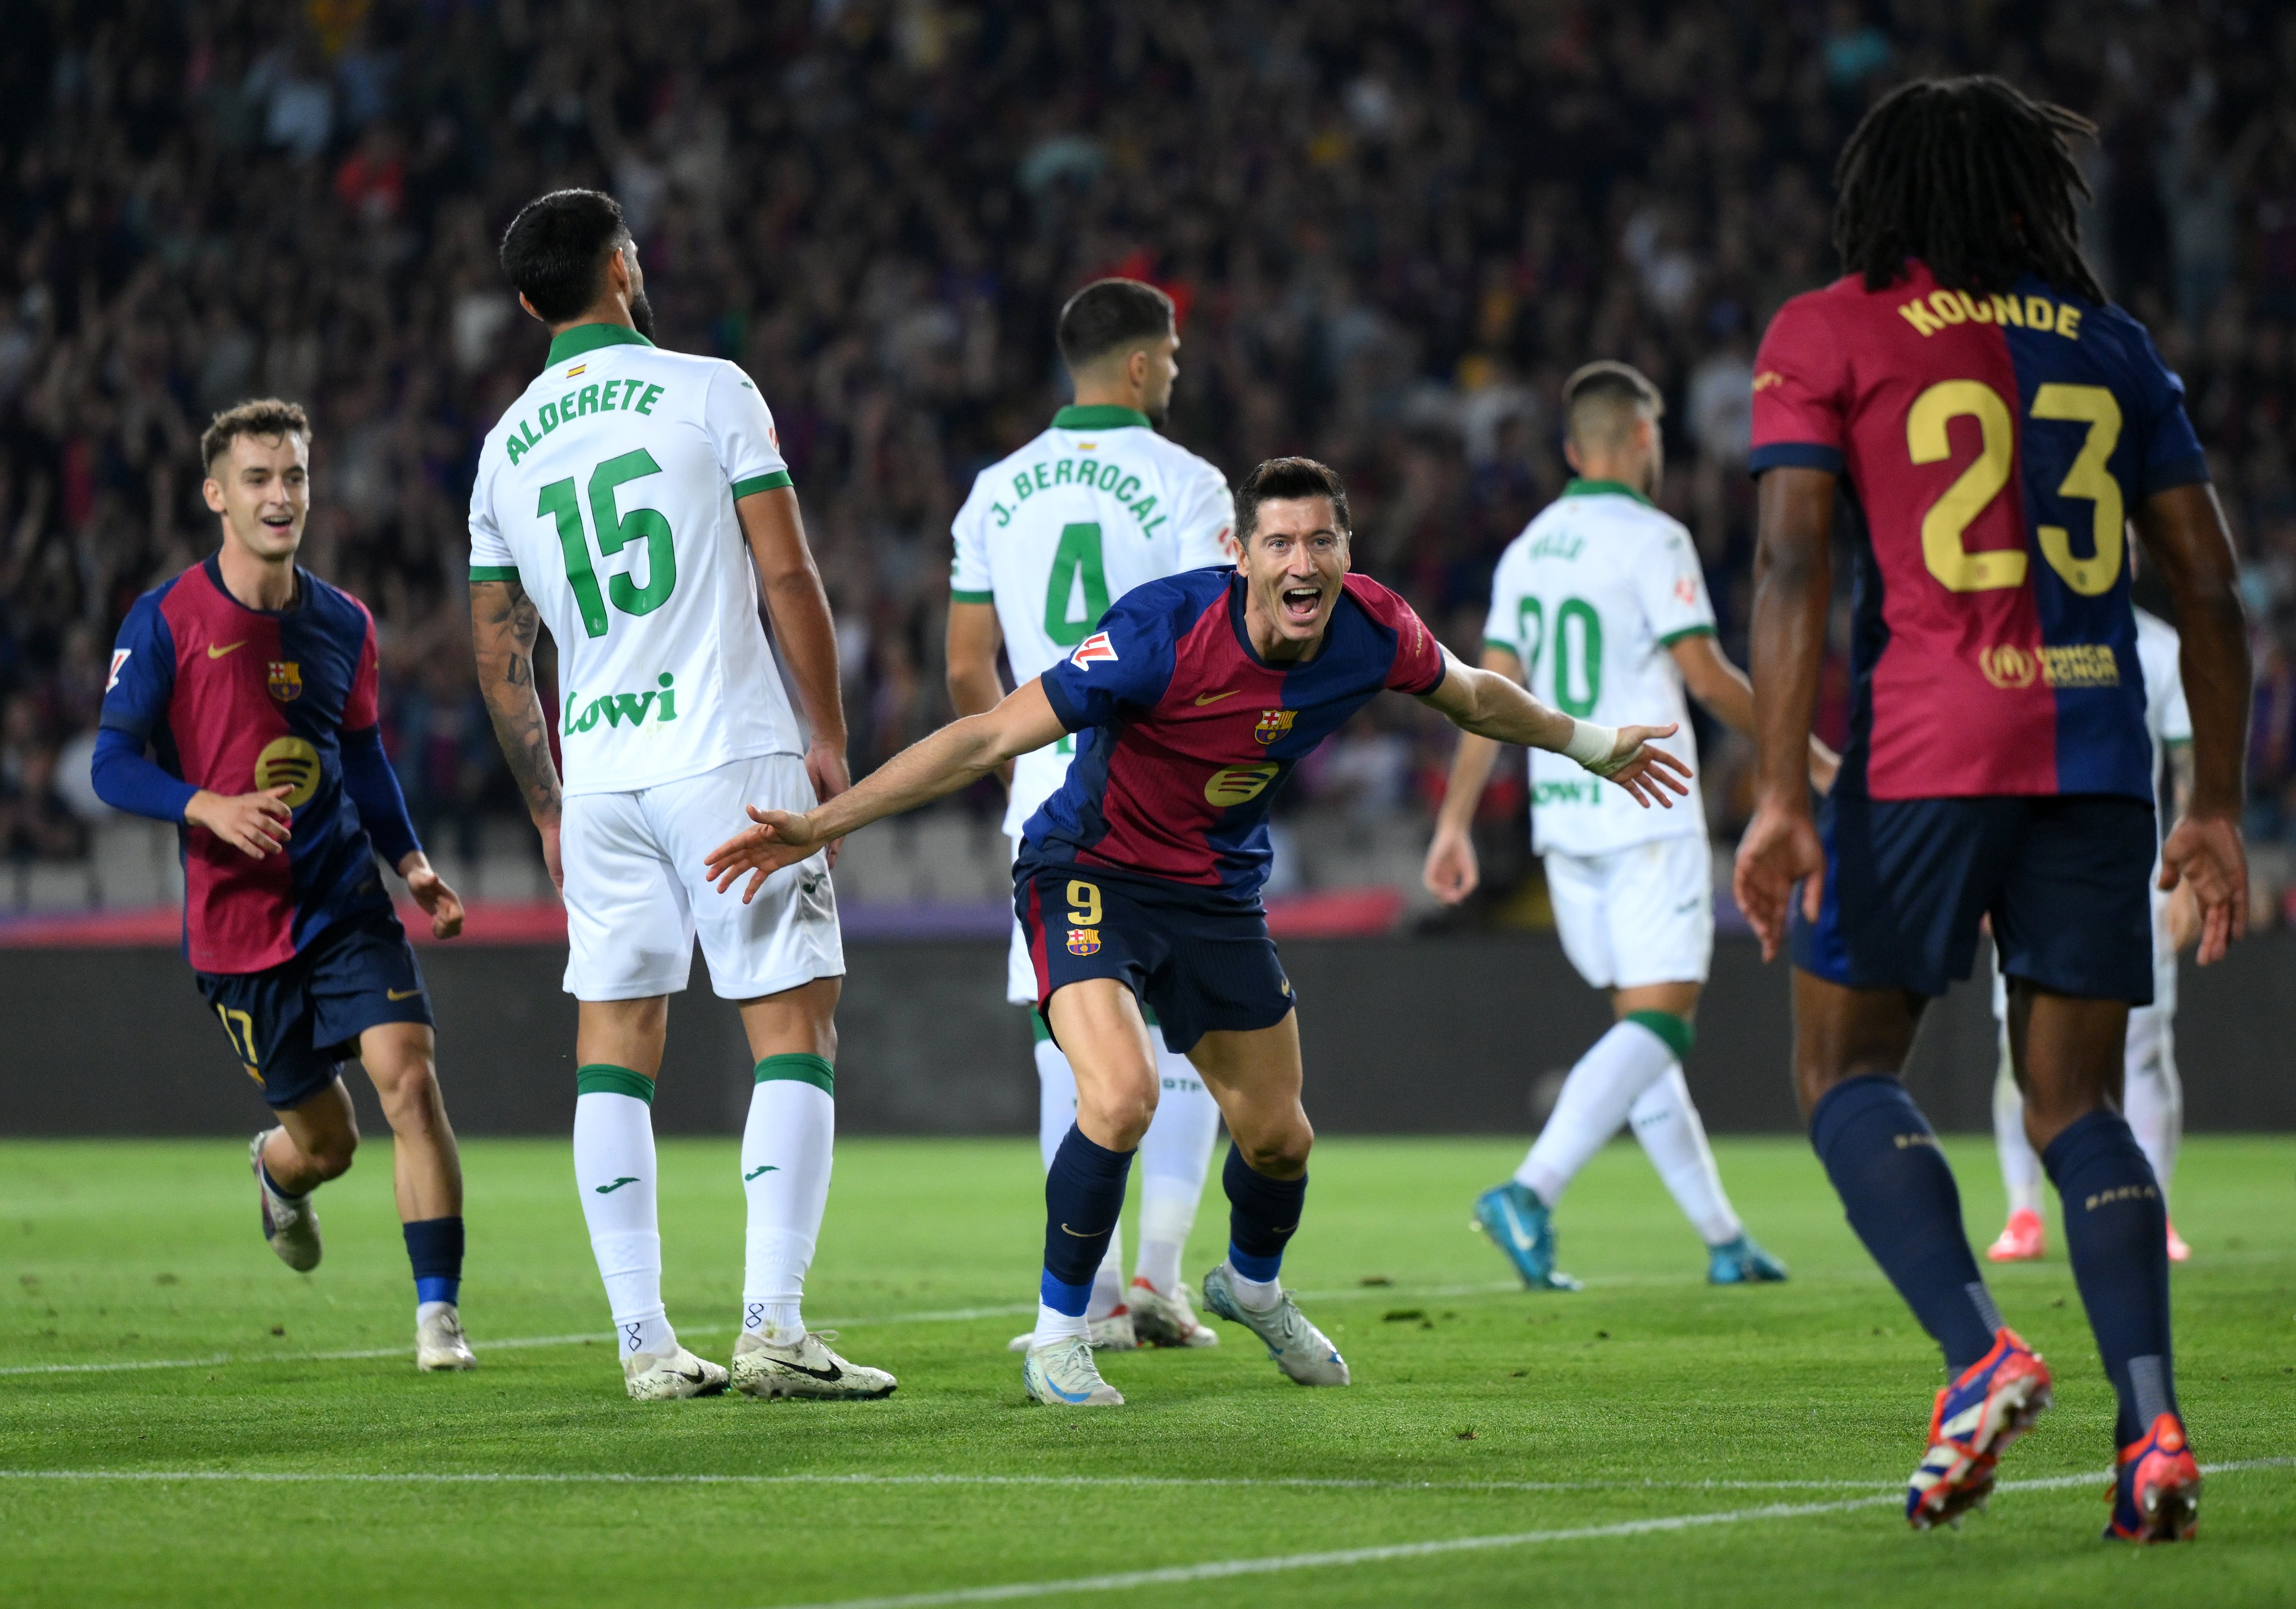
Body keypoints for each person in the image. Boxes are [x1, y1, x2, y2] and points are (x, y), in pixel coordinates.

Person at [704, 455, 1690, 1408]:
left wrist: (1593, 744)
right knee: (1122, 1095)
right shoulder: (1162, 629)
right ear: (1241, 552)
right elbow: (989, 734)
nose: (1301, 563)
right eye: (1279, 543)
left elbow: (1472, 693)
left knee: (1279, 1138)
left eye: (1320, 540)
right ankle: (1060, 1338)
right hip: (1089, 871)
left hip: (1214, 892)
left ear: (1347, 549)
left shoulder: (1374, 626)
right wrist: (820, 826)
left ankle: (1251, 1287)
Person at [1734, 77, 2249, 1541]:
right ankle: (2152, 1430)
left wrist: (1780, 793)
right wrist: (2216, 802)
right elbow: (2212, 592)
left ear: (1880, 194)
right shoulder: (2112, 344)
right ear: (2036, 200)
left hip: (1926, 747)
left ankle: (1979, 1358)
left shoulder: (1826, 329)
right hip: (2098, 759)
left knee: (1842, 1073)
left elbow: (1791, 574)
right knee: (2079, 1104)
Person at [467, 189, 893, 1403]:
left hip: (599, 777)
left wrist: (548, 803)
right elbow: (788, 569)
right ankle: (771, 1326)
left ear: (524, 301)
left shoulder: (506, 447)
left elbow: (502, 646)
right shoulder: (712, 389)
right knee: (794, 1029)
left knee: (614, 1047)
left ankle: (645, 1345)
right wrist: (828, 738)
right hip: (728, 754)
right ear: (620, 266)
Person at [1424, 361, 1827, 1290]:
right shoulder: (1656, 536)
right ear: (1643, 438)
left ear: (1572, 448)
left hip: (1564, 820)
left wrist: (1452, 823)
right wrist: (1807, 753)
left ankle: (1724, 1238)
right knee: (1661, 1027)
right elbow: (1706, 675)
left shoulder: (1528, 547)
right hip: (1647, 805)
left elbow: (1486, 698)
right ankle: (1532, 1187)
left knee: (1640, 1036)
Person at [92, 399, 476, 1372]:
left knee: (412, 1085)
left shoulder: (345, 620)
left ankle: (439, 1318)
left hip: (345, 900)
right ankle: (276, 1172)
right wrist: (204, 807)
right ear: (216, 494)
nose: (280, 496)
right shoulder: (166, 617)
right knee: (329, 1143)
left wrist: (413, 861)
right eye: (259, 479)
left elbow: (362, 753)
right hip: (238, 931)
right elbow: (110, 764)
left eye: (295, 476)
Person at [947, 277, 1237, 1353]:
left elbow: (966, 667)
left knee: (1060, 1041)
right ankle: (1159, 1276)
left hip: (1045, 794)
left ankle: (1102, 1295)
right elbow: (1215, 649)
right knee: (1180, 1032)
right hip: (1161, 798)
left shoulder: (993, 491)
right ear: (1135, 364)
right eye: (1169, 353)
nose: (1175, 368)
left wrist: (1024, 767)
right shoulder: (1187, 482)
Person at [1989, 593, 2195, 1265]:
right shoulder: (2016, 631)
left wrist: (2188, 870)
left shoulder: (2160, 647)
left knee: (2142, 1043)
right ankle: (2024, 1213)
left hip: (2136, 873)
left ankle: (2154, 1213)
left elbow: (2187, 767)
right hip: (2028, 868)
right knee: (2017, 1045)